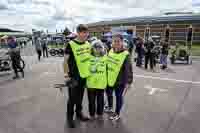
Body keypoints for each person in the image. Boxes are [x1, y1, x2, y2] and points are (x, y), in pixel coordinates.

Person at [64, 24, 91, 128]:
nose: (84, 35)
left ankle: (79, 114)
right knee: (72, 98)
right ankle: (69, 118)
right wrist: (66, 75)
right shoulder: (70, 44)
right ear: (78, 33)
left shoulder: (88, 44)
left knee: (80, 97)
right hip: (73, 76)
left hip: (84, 76)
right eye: (82, 32)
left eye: (86, 33)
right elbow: (65, 61)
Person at [105, 34, 133, 121]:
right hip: (109, 78)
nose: (116, 43)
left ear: (122, 42)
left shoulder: (125, 54)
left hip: (119, 81)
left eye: (118, 41)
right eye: (114, 41)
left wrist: (129, 82)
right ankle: (110, 107)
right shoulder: (110, 50)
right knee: (109, 94)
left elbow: (129, 69)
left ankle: (117, 113)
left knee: (118, 97)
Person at [86, 40, 107, 121]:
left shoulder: (105, 57)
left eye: (99, 48)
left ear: (102, 49)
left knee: (100, 101)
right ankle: (92, 115)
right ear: (92, 48)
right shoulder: (88, 57)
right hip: (90, 84)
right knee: (91, 101)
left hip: (101, 84)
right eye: (95, 48)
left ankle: (100, 114)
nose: (97, 49)